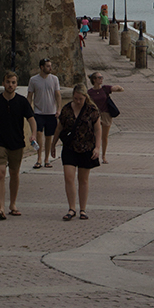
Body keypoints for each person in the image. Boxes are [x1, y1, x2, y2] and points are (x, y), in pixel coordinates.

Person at [0, 71, 37, 220]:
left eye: (13, 82)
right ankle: (0, 208)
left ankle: (12, 204)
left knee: (14, 173)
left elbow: (31, 119)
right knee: (0, 173)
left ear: (16, 84)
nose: (10, 85)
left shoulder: (21, 101)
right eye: (8, 82)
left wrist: (33, 134)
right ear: (3, 83)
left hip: (16, 143)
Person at [54, 82, 102, 220]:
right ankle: (71, 208)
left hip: (86, 147)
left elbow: (98, 129)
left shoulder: (92, 110)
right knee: (68, 177)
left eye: (81, 99)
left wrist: (97, 147)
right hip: (70, 147)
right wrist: (53, 145)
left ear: (85, 97)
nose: (78, 101)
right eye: (76, 98)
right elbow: (59, 128)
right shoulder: (67, 109)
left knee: (83, 179)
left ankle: (83, 209)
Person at [27, 58, 61, 168]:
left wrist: (58, 109)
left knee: (48, 136)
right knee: (39, 134)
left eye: (50, 66)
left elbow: (58, 95)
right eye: (47, 66)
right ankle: (39, 158)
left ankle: (47, 159)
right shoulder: (33, 80)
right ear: (42, 67)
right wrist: (29, 110)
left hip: (51, 112)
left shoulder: (54, 79)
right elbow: (30, 96)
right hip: (38, 112)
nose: (50, 68)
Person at [87, 71, 124, 162]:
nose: (101, 79)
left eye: (102, 77)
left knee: (104, 136)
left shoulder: (105, 89)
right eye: (99, 77)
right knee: (95, 135)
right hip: (95, 115)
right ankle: (95, 153)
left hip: (106, 114)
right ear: (94, 80)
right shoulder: (90, 92)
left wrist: (117, 88)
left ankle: (103, 156)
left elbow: (119, 89)